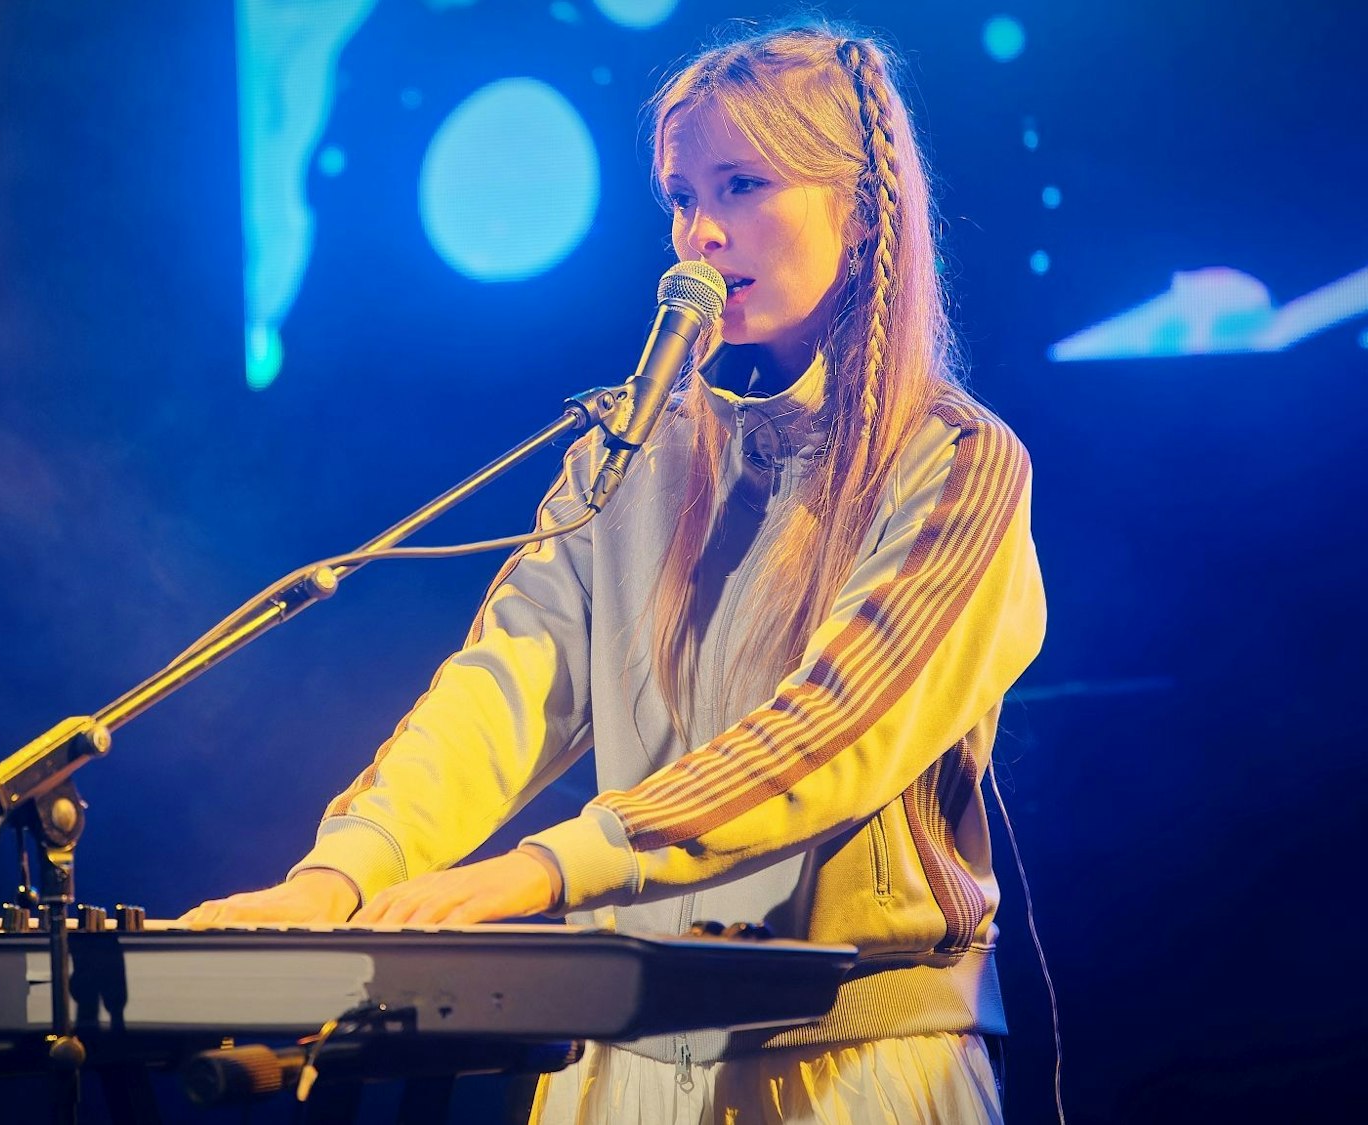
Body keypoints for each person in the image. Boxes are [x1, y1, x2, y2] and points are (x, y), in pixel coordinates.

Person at [181, 17, 1044, 1124]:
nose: (699, 233)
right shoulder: (626, 454)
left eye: (741, 186)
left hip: (851, 1067)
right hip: (618, 1067)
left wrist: (544, 868)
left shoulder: (957, 463)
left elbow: (824, 736)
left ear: (862, 209)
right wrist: (338, 876)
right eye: (681, 197)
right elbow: (506, 687)